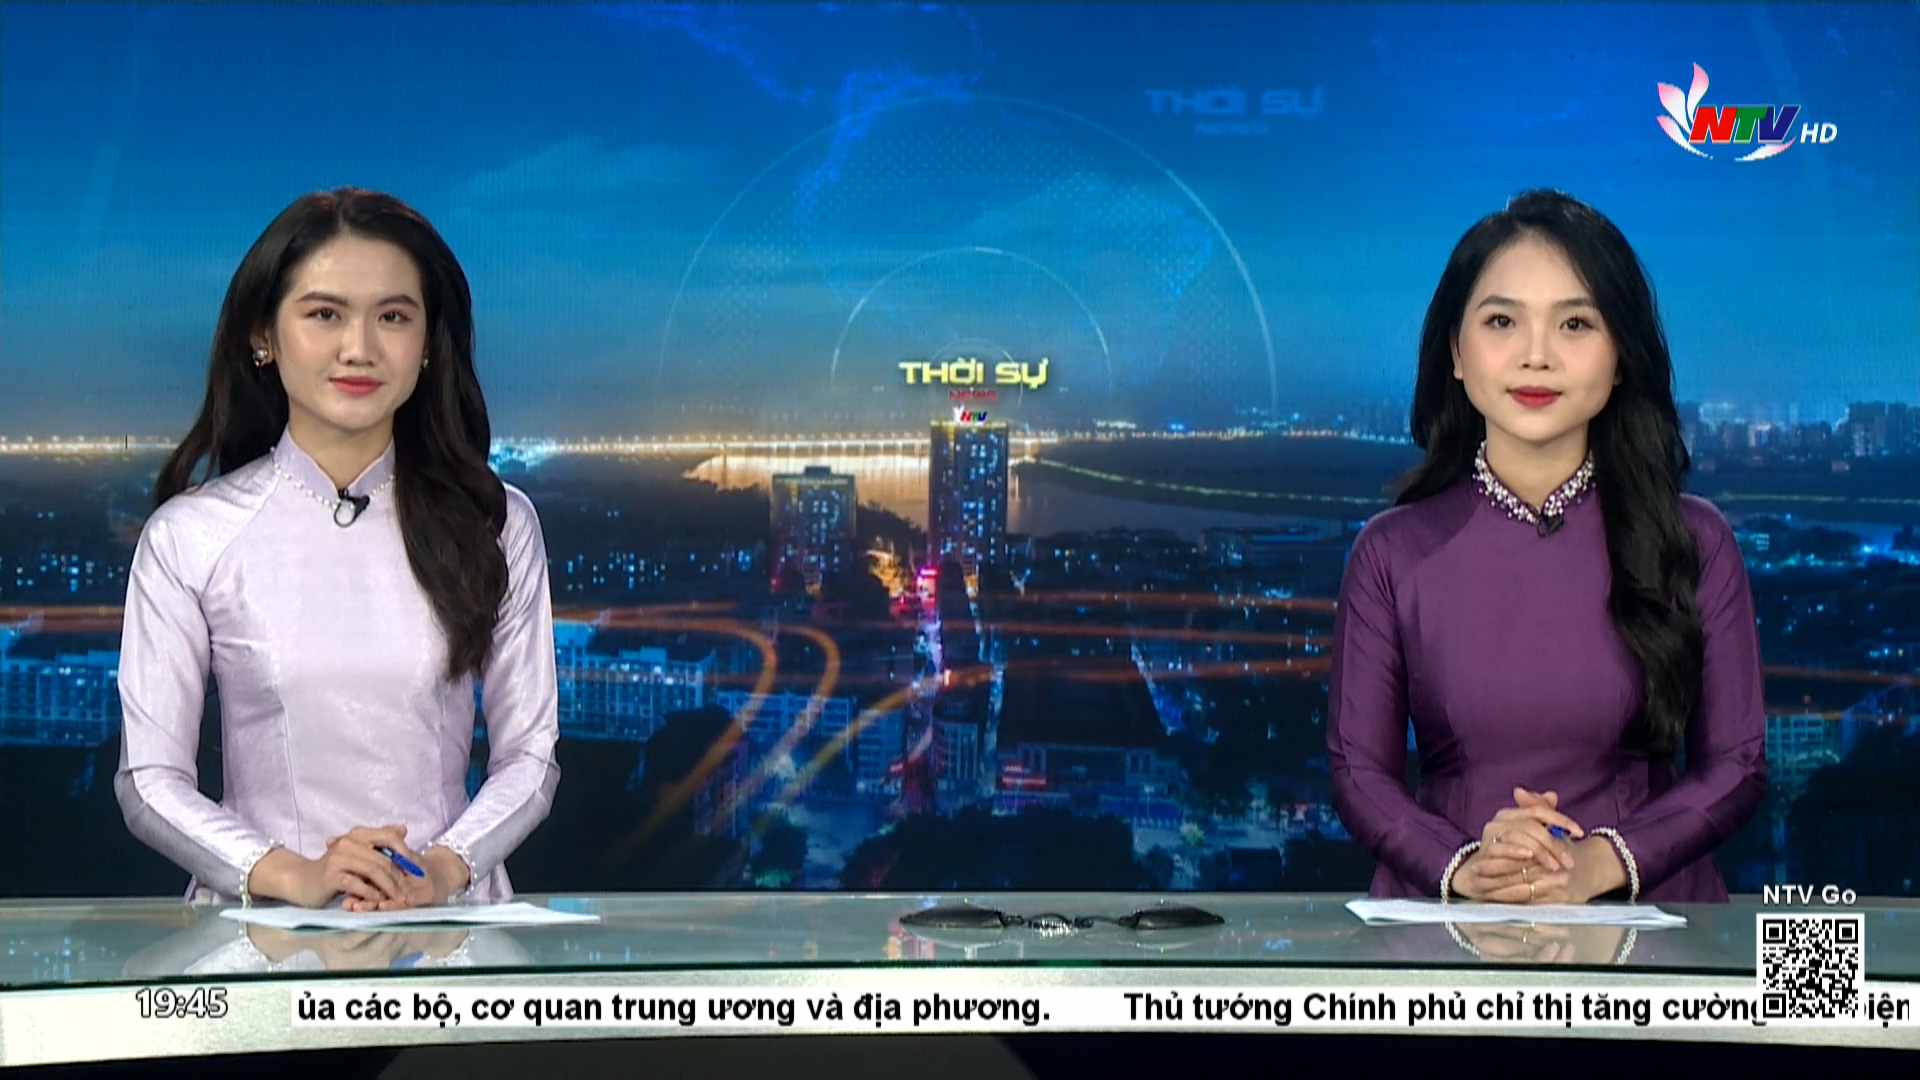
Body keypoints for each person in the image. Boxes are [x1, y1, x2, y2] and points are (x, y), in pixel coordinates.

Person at [116, 188, 560, 910]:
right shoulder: (190, 537)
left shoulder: (495, 523)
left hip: (447, 926)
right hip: (261, 933)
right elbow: (149, 781)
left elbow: (530, 759)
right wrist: (297, 874)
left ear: (428, 344)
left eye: (393, 317)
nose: (359, 348)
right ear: (263, 335)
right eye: (325, 314)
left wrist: (440, 869)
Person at [1326, 189, 1765, 904]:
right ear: (1457, 353)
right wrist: (1468, 864)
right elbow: (1358, 773)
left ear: (1620, 357)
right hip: (1450, 920)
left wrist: (1599, 863)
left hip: (1651, 924)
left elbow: (1737, 766)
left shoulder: (1696, 540)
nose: (1536, 356)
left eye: (1575, 323)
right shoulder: (1391, 552)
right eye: (1502, 321)